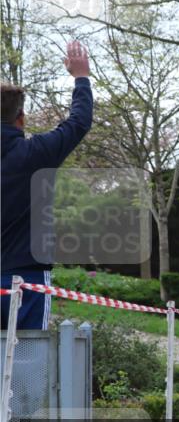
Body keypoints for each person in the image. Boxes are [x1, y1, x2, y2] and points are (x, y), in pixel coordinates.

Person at [1, 41, 92, 330]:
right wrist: (81, 77)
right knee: (29, 362)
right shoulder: (35, 154)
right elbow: (78, 123)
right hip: (28, 279)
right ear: (21, 119)